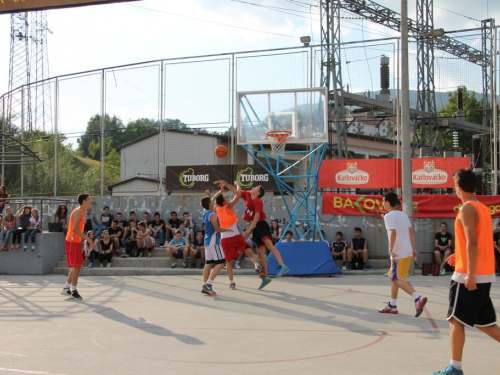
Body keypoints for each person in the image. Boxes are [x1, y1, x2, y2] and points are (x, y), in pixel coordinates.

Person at [432, 169, 500, 375]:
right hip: (484, 272)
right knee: (485, 323)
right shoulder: (482, 209)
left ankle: (455, 368)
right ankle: (454, 367)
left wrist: (469, 272)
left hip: (470, 275)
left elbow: (472, 242)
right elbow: (478, 241)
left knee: (455, 320)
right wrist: (459, 256)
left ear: (457, 187)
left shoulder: (467, 210)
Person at [378, 192, 428, 318]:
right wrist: (413, 248)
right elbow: (410, 232)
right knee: (393, 276)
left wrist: (390, 249)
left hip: (397, 252)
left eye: (383, 201)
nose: (382, 203)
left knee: (396, 279)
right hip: (407, 250)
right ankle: (392, 305)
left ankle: (417, 297)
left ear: (388, 202)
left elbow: (393, 233)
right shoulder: (404, 215)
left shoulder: (389, 217)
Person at [212, 181, 262, 290]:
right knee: (249, 251)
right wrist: (233, 185)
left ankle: (232, 282)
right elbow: (238, 194)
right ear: (224, 201)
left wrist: (219, 192)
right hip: (235, 235)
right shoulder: (229, 206)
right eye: (225, 197)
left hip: (224, 239)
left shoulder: (217, 209)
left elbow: (212, 201)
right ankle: (256, 265)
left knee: (228, 262)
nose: (227, 198)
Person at [241, 185, 289, 289]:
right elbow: (239, 191)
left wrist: (248, 230)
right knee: (260, 253)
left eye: (256, 187)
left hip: (262, 225)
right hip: (256, 229)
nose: (253, 187)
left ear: (258, 193)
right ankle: (265, 277)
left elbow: (257, 217)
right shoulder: (249, 198)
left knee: (269, 245)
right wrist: (236, 185)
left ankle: (282, 265)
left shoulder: (258, 201)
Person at [61, 193, 94, 300]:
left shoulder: (82, 213)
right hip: (71, 241)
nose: (90, 201)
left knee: (77, 265)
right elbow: (74, 229)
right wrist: (88, 239)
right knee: (77, 266)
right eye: (89, 199)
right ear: (84, 201)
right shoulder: (78, 213)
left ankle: (66, 288)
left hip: (75, 241)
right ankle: (73, 291)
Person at [200, 194, 232, 296]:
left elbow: (212, 200)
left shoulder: (205, 212)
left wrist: (220, 192)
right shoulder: (212, 215)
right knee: (221, 263)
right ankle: (208, 284)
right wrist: (228, 229)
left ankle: (205, 285)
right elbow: (217, 229)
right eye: (212, 202)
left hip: (207, 241)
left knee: (208, 263)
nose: (213, 202)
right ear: (210, 205)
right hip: (214, 241)